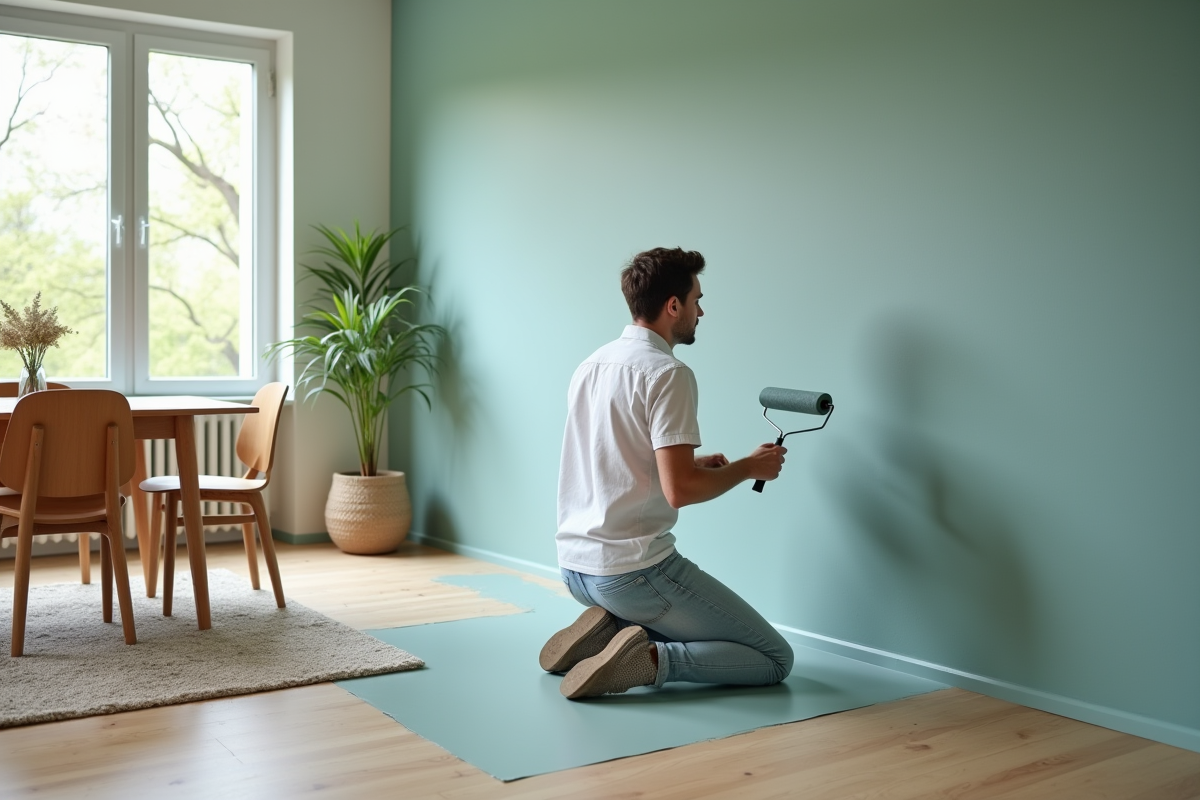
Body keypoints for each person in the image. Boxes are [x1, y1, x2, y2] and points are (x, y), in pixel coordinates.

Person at [542, 246, 794, 700]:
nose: (702, 310)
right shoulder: (668, 373)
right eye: (697, 299)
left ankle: (607, 630)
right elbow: (681, 492)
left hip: (576, 569)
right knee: (775, 658)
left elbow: (609, 456)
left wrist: (691, 461)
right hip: (632, 574)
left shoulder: (592, 364)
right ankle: (647, 658)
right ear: (672, 305)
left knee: (667, 613)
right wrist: (747, 468)